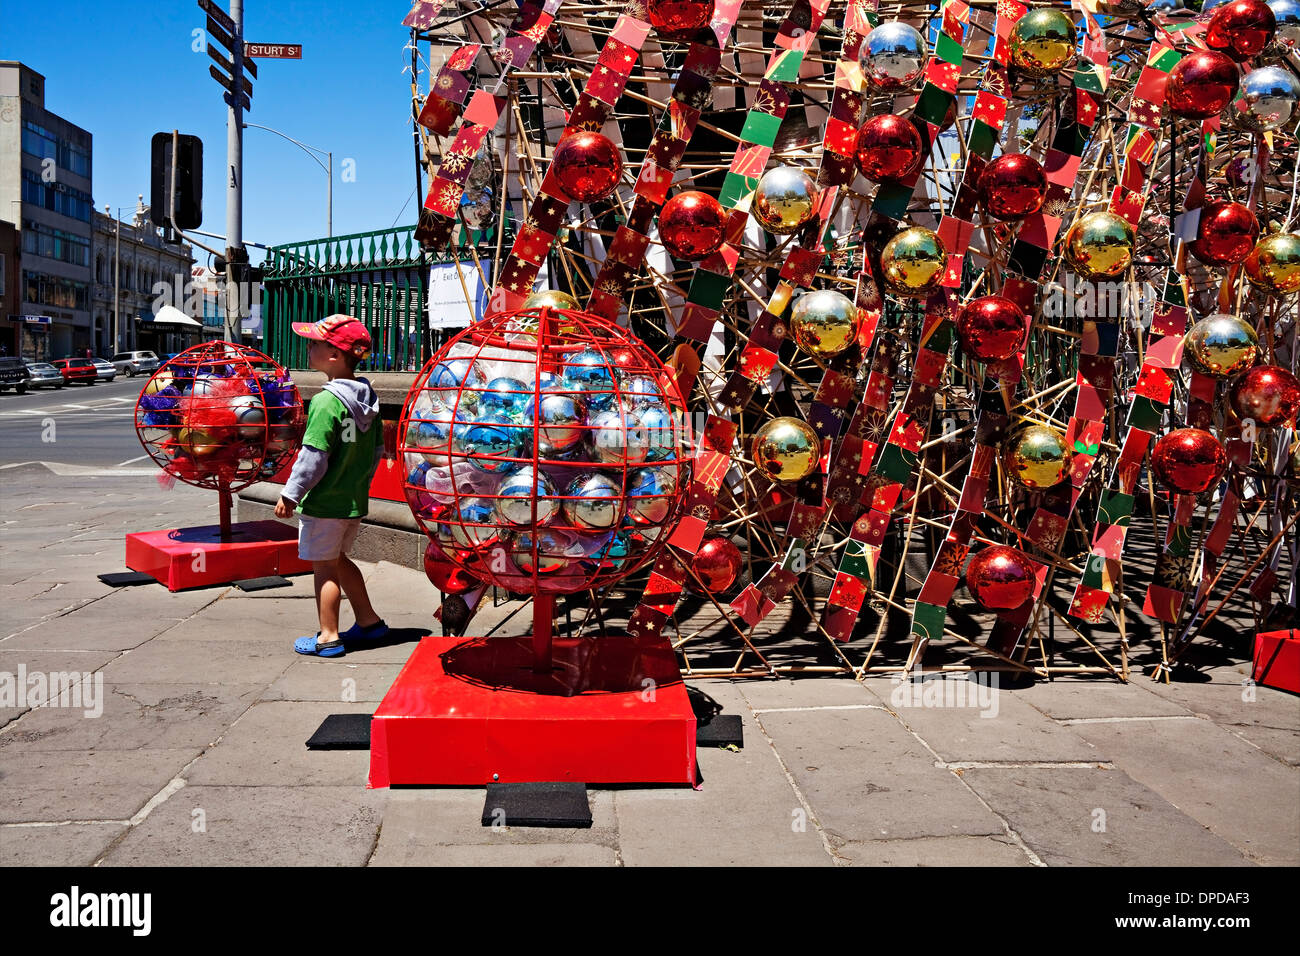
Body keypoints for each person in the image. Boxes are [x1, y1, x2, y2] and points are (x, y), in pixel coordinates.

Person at [275, 314, 388, 657]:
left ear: (335, 354)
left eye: (314, 344)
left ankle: (328, 636)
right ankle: (369, 622)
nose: (309, 349)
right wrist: (358, 484)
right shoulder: (369, 399)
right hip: (351, 502)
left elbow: (313, 456)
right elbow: (377, 452)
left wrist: (290, 493)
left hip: (324, 504)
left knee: (324, 569)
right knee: (339, 559)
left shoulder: (326, 401)